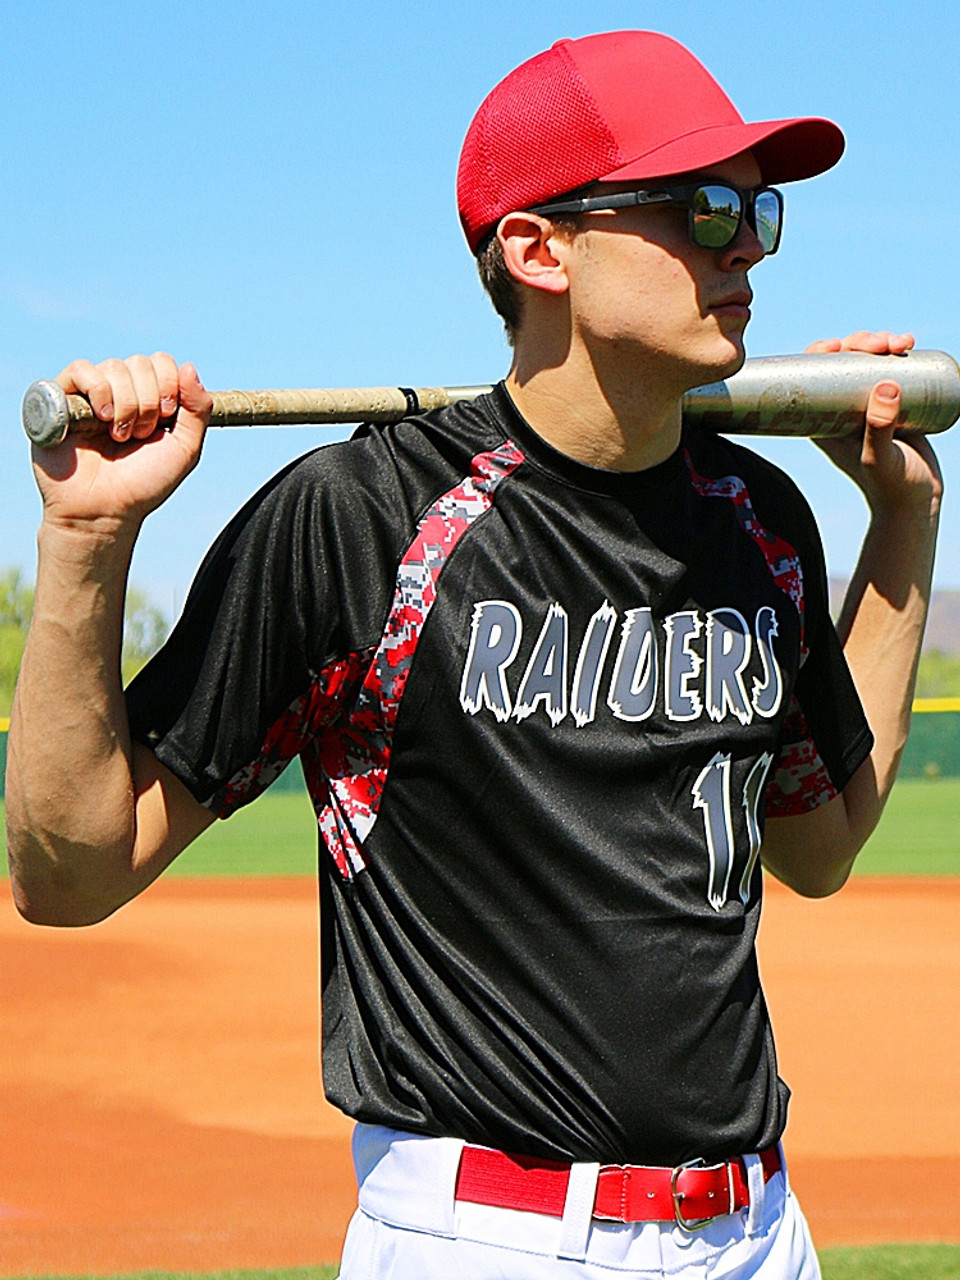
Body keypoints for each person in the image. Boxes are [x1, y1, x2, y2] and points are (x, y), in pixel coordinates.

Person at [6, 29, 941, 1280]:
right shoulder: (362, 517)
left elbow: (821, 844)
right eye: (701, 204)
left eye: (758, 210)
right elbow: (68, 873)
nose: (742, 245)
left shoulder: (758, 519)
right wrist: (86, 534)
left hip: (762, 1233)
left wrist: (904, 523)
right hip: (489, 1236)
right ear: (538, 247)